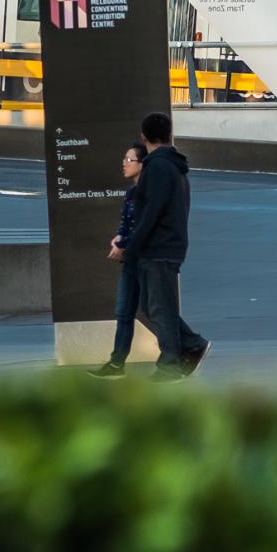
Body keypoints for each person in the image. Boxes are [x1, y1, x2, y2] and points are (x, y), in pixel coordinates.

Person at [121, 110, 210, 376]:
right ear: (169, 134)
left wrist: (134, 245)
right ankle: (190, 346)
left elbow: (151, 211)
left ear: (143, 137)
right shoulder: (175, 166)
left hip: (157, 247)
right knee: (154, 305)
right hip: (170, 244)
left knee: (156, 307)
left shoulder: (157, 167)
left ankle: (172, 360)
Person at [90, 139, 148, 377]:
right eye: (124, 159)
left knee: (155, 312)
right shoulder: (131, 192)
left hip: (147, 260)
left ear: (143, 164)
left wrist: (122, 243)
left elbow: (142, 226)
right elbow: (126, 225)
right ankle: (117, 363)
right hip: (131, 262)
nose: (124, 164)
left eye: (129, 159)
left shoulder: (148, 193)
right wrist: (119, 238)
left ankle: (182, 350)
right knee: (123, 311)